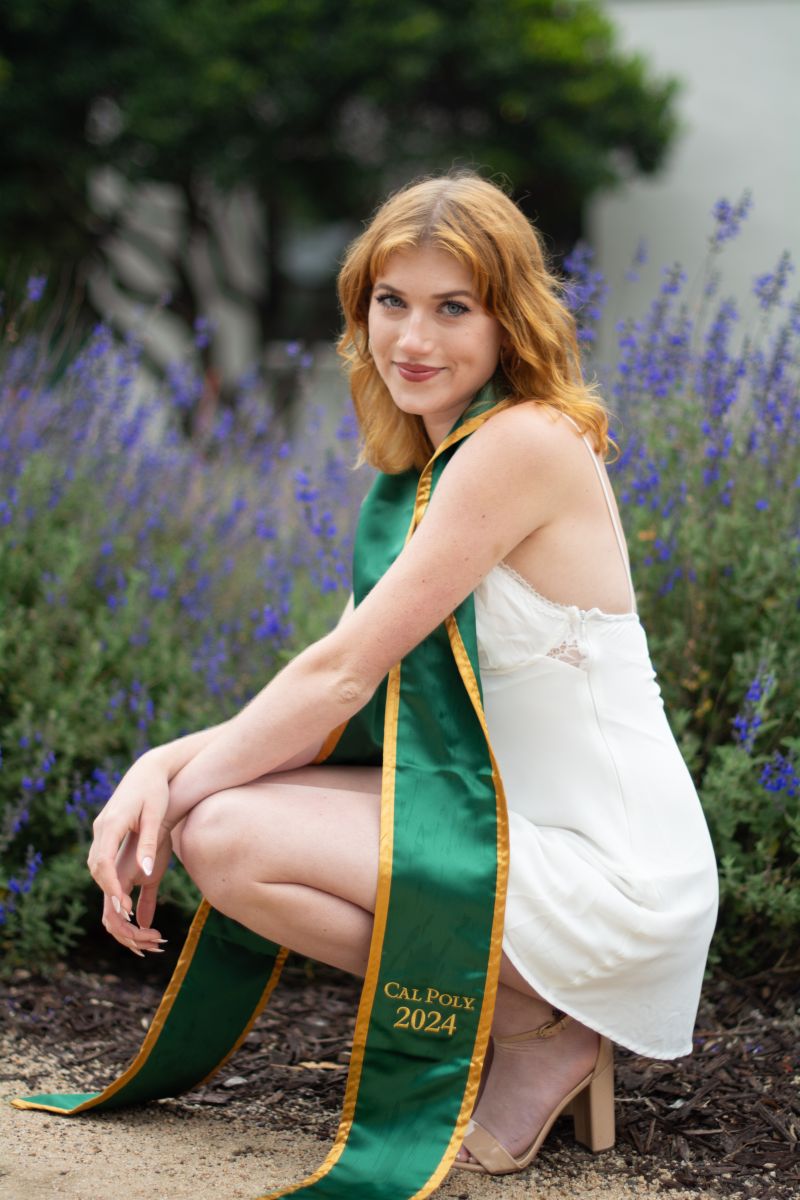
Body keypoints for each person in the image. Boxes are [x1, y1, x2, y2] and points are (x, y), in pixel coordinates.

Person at [80, 171, 717, 1184]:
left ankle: (539, 1026)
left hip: (608, 868)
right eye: (392, 302)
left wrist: (166, 797)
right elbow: (340, 690)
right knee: (219, 825)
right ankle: (524, 1015)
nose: (413, 339)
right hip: (498, 823)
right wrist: (160, 770)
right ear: (360, 307)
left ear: (509, 320)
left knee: (224, 831)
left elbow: (339, 678)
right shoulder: (425, 470)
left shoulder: (521, 444)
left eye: (452, 308)